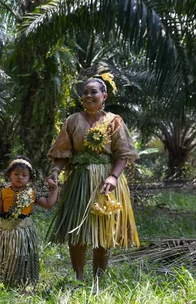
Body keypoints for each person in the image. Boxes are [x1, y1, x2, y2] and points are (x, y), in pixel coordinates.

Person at [47, 75, 139, 282]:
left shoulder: (114, 121)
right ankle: (79, 275)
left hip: (105, 181)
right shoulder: (72, 121)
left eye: (93, 92)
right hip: (79, 179)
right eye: (85, 92)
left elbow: (123, 154)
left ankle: (99, 276)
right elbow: (63, 153)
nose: (89, 96)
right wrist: (55, 172)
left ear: (104, 95)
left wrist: (114, 177)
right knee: (77, 228)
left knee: (102, 229)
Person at [0, 157, 58, 288]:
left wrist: (54, 190)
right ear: (9, 174)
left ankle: (24, 282)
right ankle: (6, 280)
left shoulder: (32, 193)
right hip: (7, 232)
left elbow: (48, 204)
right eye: (16, 174)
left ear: (29, 177)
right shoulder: (4, 192)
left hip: (24, 232)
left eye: (24, 175)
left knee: (22, 256)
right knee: (7, 255)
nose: (20, 177)